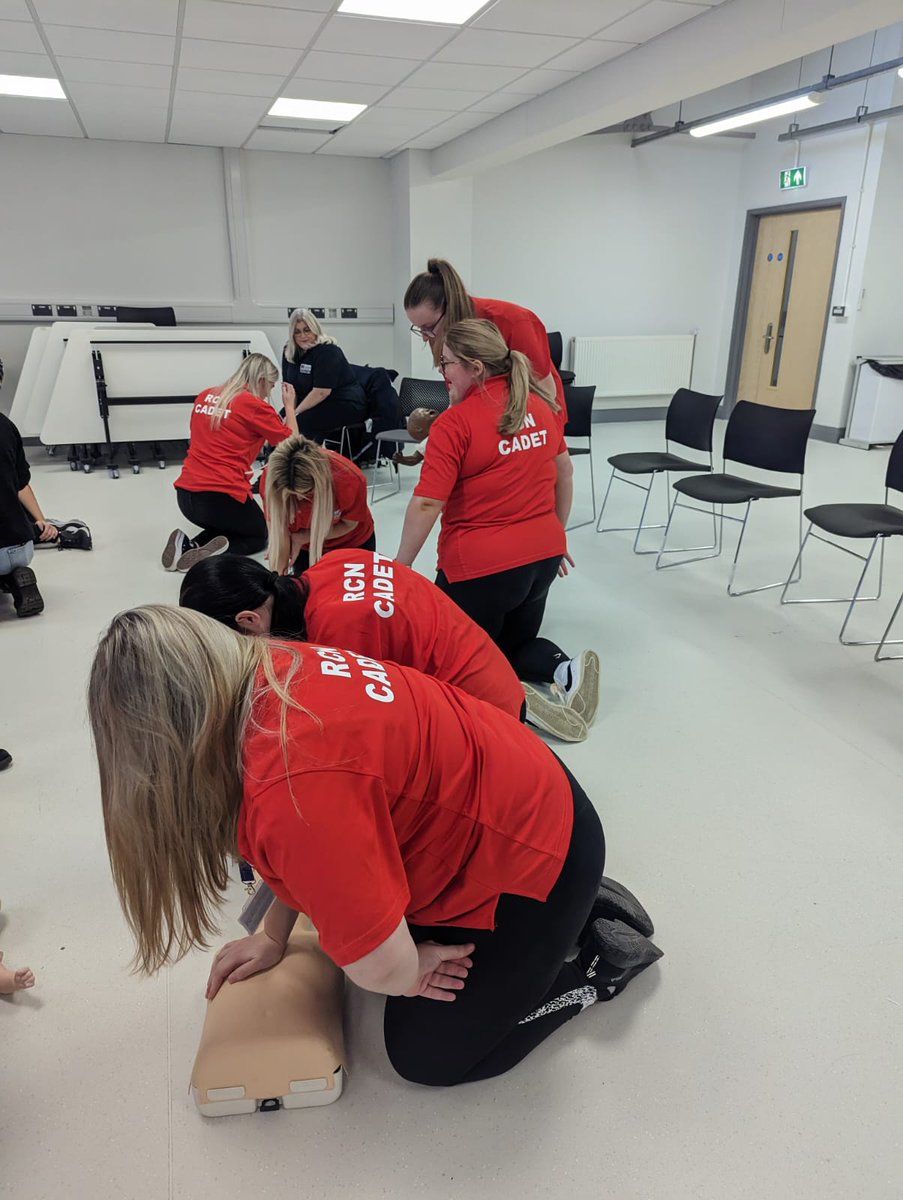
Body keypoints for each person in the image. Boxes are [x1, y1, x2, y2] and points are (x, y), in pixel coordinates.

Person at [88, 606, 661, 1088]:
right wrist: (272, 932)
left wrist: (409, 974)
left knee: (427, 1057)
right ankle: (571, 912)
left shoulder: (291, 786)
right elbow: (306, 850)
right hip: (525, 789)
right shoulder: (271, 673)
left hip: (535, 852)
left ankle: (596, 965)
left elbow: (377, 963)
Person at [396, 320, 600, 741]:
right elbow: (565, 474)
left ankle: (521, 708)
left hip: (481, 571)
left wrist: (401, 565)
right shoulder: (540, 406)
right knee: (508, 647)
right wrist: (554, 538)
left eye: (446, 365)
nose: (442, 374)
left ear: (475, 367)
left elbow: (428, 503)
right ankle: (566, 669)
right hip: (541, 562)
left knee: (451, 662)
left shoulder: (456, 424)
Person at [179, 550, 526, 721]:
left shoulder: (336, 635)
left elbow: (372, 728)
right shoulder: (331, 563)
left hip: (489, 719)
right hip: (486, 668)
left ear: (249, 621)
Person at [165, 353, 297, 571]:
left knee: (230, 526)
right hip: (219, 495)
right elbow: (292, 443)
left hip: (186, 494)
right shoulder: (254, 405)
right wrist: (290, 407)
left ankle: (188, 545)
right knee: (257, 535)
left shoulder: (205, 396)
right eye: (271, 385)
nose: (269, 392)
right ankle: (203, 558)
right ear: (262, 381)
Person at [404, 258, 566, 423]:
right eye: (419, 329)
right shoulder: (437, 332)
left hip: (534, 418)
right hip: (486, 417)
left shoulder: (514, 321)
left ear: (450, 307)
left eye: (428, 327)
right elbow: (458, 395)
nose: (425, 337)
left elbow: (545, 394)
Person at [263, 434, 374, 577]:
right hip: (306, 548)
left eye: (306, 494)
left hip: (351, 543)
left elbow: (348, 525)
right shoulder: (272, 479)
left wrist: (304, 536)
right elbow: (280, 531)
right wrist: (277, 578)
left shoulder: (349, 479)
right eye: (291, 495)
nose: (298, 499)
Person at [0, 411, 56, 617]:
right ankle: (14, 577)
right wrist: (42, 521)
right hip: (20, 547)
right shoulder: (6, 426)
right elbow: (21, 486)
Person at [282, 309, 367, 444]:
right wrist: (288, 411)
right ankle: (274, 459)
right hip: (311, 402)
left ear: (315, 329)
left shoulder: (328, 351)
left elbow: (321, 392)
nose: (302, 336)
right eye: (297, 332)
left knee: (299, 423)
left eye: (307, 330)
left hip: (342, 403)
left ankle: (298, 461)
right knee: (277, 421)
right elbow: (289, 390)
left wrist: (294, 413)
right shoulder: (289, 352)